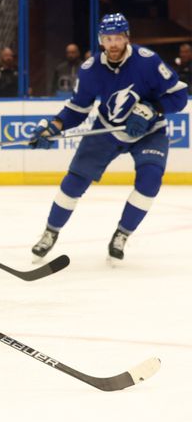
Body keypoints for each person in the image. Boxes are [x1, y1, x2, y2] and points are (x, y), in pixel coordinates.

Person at [29, 13, 188, 262]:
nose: (113, 44)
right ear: (101, 40)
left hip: (149, 132)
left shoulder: (148, 62)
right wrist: (54, 126)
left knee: (150, 180)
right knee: (74, 182)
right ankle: (50, 232)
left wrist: (152, 108)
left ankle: (122, 234)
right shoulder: (90, 70)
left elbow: (179, 96)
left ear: (127, 38)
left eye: (117, 38)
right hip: (107, 129)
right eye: (107, 38)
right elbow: (78, 108)